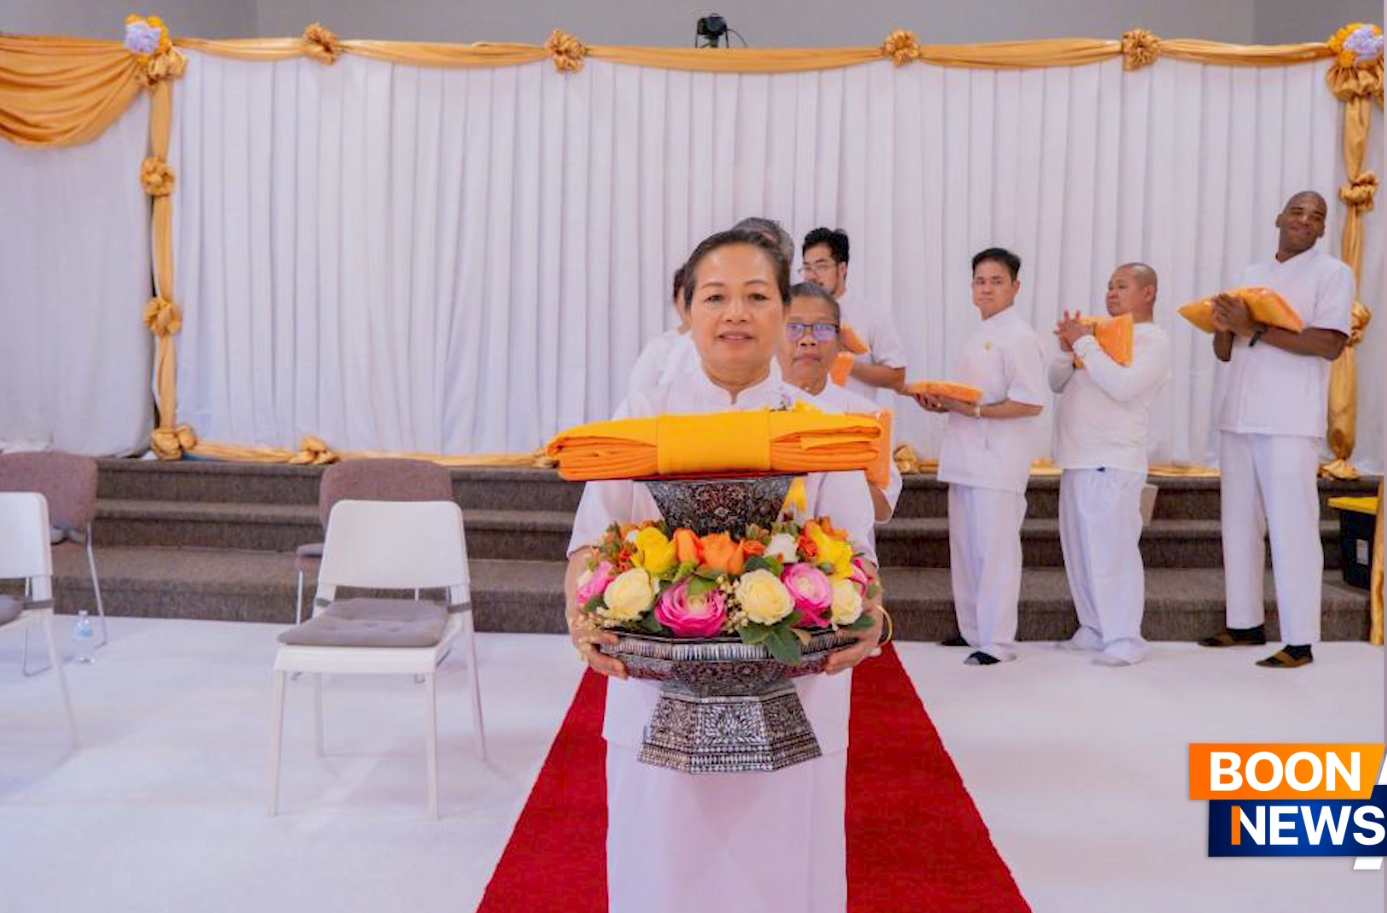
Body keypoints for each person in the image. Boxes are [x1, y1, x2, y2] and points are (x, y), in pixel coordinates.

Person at [564, 228, 885, 913]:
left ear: (781, 310)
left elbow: (859, 558)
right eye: (715, 295)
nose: (734, 312)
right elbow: (591, 542)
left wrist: (873, 620)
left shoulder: (818, 429)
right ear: (685, 309)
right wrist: (582, 617)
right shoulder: (643, 422)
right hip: (658, 697)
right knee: (663, 871)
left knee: (780, 876)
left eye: (755, 296)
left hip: (796, 695)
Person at [1198, 191, 1353, 668]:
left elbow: (1329, 344)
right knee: (1238, 524)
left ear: (1323, 229)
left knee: (1293, 529)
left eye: (1316, 216)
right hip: (1239, 413)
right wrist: (1224, 326)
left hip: (1288, 417)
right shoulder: (1250, 275)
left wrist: (1255, 328)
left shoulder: (1333, 274)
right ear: (1278, 217)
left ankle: (1300, 640)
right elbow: (1225, 352)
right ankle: (1244, 623)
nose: (1305, 220)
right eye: (1298, 212)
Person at [911, 247, 1046, 665]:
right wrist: (942, 403)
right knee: (967, 550)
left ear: (1015, 287)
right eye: (980, 281)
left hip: (998, 461)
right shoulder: (982, 331)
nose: (986, 288)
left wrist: (973, 410)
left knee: (994, 552)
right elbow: (970, 398)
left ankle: (998, 641)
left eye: (996, 281)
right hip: (966, 456)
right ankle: (973, 629)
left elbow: (1031, 402)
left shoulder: (1019, 336)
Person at [1048, 263, 1171, 666]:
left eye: (1122, 286)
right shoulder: (1100, 336)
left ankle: (1124, 637)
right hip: (1078, 457)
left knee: (1111, 551)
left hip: (1113, 459)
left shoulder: (1152, 339)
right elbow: (1055, 382)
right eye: (1109, 286)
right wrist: (1069, 351)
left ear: (1148, 292)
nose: (1111, 293)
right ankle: (1095, 626)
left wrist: (1084, 345)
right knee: (1081, 550)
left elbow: (1123, 387)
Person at [777, 280, 902, 521]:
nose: (808, 339)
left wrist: (835, 457)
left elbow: (884, 508)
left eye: (822, 328)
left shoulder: (864, 415)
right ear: (773, 337)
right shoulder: (756, 409)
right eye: (794, 327)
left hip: (847, 554)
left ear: (839, 342)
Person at [800, 227, 907, 401]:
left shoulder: (873, 315)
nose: (812, 276)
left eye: (821, 266)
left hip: (855, 422)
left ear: (842, 268)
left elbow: (897, 377)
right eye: (807, 268)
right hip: (803, 420)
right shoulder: (792, 315)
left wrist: (845, 362)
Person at [627, 265, 698, 392]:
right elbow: (637, 400)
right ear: (675, 302)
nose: (694, 307)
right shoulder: (659, 348)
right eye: (687, 299)